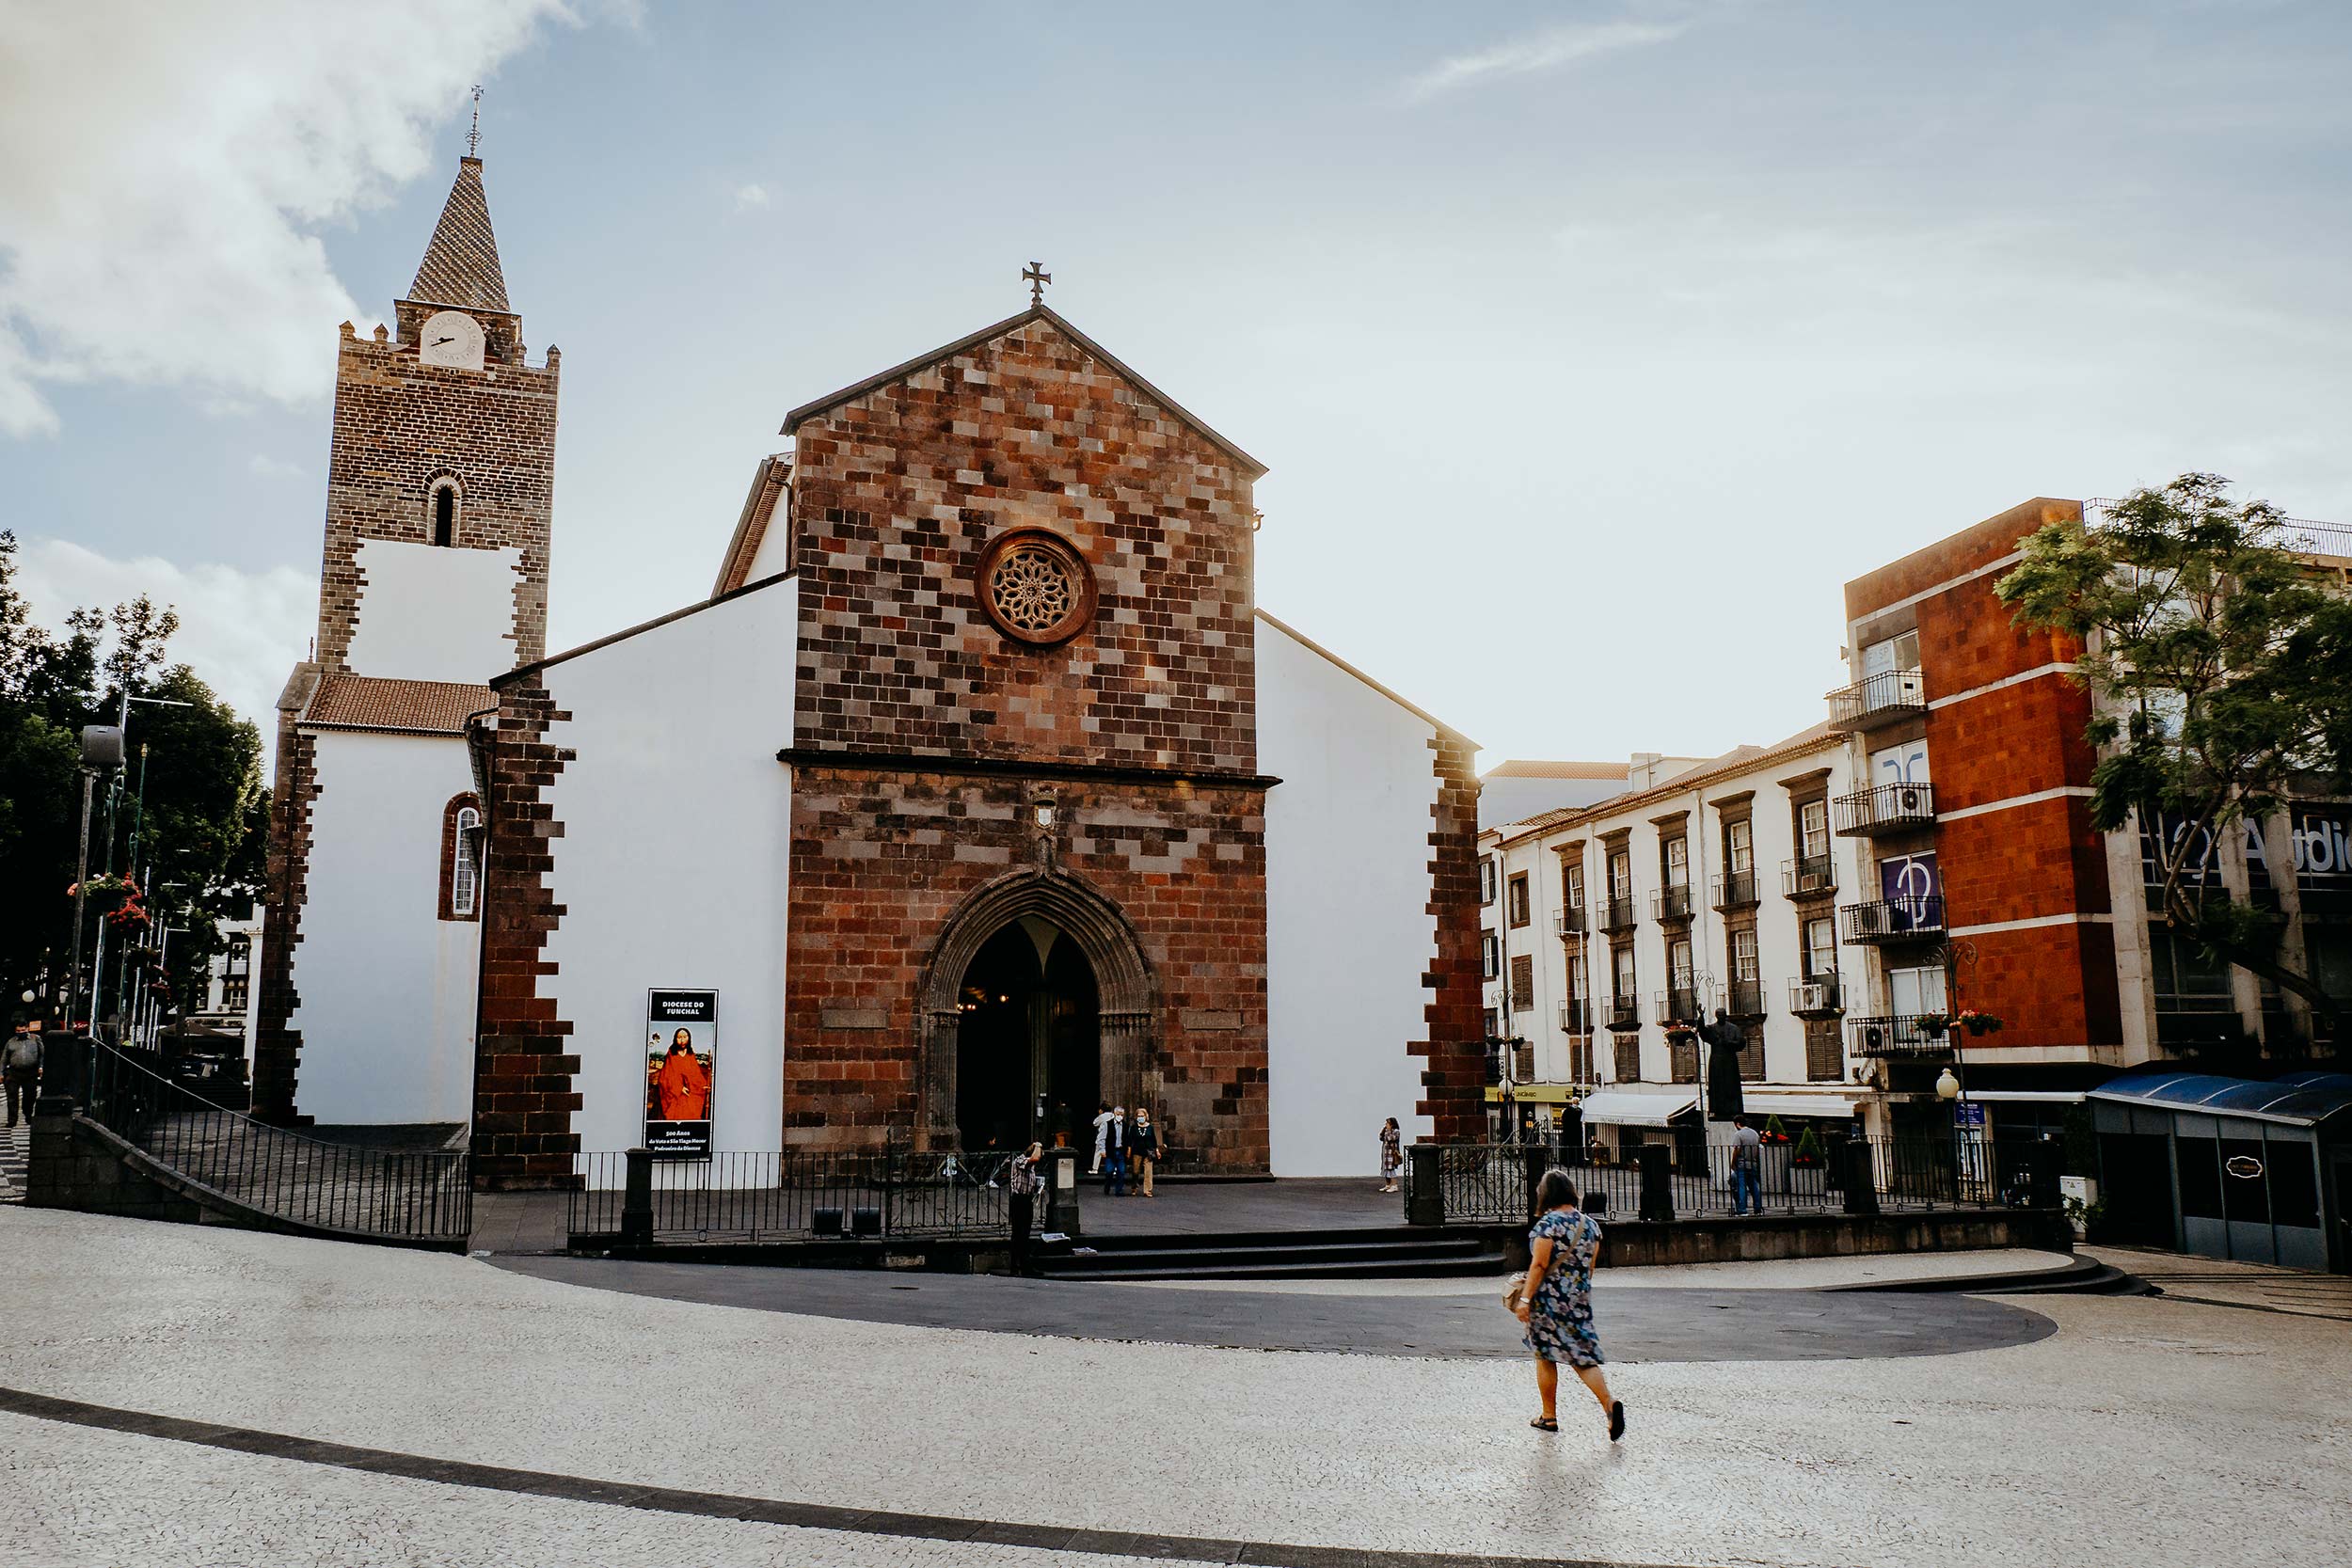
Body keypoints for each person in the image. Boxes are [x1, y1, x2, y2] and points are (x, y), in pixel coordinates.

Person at [1513, 1167, 1623, 1441]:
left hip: (1548, 1301)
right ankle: (1609, 1404)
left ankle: (1549, 1416)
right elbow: (1590, 1268)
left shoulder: (1548, 1225)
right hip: (1577, 1301)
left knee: (1544, 1355)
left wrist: (1525, 1299)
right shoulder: (1590, 1226)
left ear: (1546, 1194)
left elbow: (1539, 1264)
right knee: (1581, 1357)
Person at [653, 1030, 709, 1121]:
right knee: (680, 1106)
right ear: (675, 1039)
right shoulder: (671, 1054)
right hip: (674, 1091)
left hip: (690, 1089)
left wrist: (701, 1085)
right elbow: (667, 1075)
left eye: (684, 1037)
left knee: (692, 1105)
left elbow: (695, 1073)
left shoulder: (690, 1054)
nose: (682, 1040)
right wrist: (679, 1088)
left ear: (689, 1038)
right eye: (679, 1038)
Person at [1006, 1141, 1044, 1275]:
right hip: (1019, 1200)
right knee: (1019, 1234)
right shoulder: (1020, 1160)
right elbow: (1035, 1158)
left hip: (1026, 1199)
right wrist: (1038, 1146)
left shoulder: (1029, 1166)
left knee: (1024, 1234)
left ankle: (1021, 1265)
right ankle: (1017, 1266)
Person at [4, 1015, 40, 1127]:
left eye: (23, 1030)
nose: (21, 1032)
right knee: (12, 1097)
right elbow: (4, 1058)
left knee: (30, 1095)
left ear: (27, 1029)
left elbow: (42, 1054)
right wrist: (1, 1073)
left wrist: (41, 1067)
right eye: (18, 1031)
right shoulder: (11, 1042)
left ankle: (28, 1114)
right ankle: (12, 1120)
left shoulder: (35, 1039)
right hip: (14, 1072)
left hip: (30, 1072)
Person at [1729, 1114, 1763, 1216]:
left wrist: (1733, 1163)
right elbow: (1757, 1150)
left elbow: (1737, 1150)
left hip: (1742, 1163)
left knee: (1741, 1187)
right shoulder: (1755, 1134)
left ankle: (1742, 1210)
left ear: (1738, 1124)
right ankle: (1758, 1209)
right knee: (1754, 1186)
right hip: (1752, 1163)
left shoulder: (1739, 1134)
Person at [1129, 1106, 1160, 1197]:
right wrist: (1129, 1150)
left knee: (1148, 1171)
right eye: (1139, 1116)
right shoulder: (1134, 1127)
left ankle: (1148, 1190)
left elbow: (1153, 1140)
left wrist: (1157, 1150)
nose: (1141, 1117)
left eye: (1142, 1116)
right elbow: (1130, 1140)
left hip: (1148, 1151)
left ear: (1146, 1116)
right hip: (1137, 1151)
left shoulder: (1150, 1127)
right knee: (1135, 1171)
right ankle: (1134, 1186)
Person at [1102, 1105, 1128, 1196]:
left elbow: (1127, 1138)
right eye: (1118, 1114)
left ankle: (1119, 1191)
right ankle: (1107, 1186)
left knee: (1121, 1171)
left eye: (1121, 1114)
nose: (1120, 1116)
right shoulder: (1107, 1124)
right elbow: (1102, 1138)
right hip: (1111, 1151)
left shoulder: (1125, 1125)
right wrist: (1102, 1150)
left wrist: (1127, 1149)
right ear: (1114, 1114)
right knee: (1109, 1171)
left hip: (1121, 1151)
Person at [1378, 1117, 1403, 1193]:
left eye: (1387, 1123)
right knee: (1385, 1170)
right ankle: (1388, 1185)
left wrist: (1388, 1131)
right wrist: (1382, 1132)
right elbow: (1381, 1138)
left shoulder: (1396, 1131)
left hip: (1391, 1154)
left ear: (1392, 1124)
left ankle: (1394, 1185)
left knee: (1391, 1170)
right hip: (1386, 1154)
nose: (1386, 1125)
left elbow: (1390, 1138)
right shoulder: (1386, 1131)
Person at [1090, 1101, 1115, 1174]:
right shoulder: (1113, 1115)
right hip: (1111, 1136)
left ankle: (1095, 1169)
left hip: (1102, 1136)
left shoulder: (1102, 1116)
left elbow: (1095, 1123)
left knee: (1098, 1152)